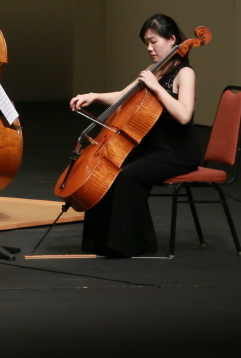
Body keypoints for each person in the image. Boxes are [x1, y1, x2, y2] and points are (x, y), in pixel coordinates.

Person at [70, 14, 202, 258]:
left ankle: (136, 245)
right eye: (146, 43)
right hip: (152, 148)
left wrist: (155, 87)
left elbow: (184, 115)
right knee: (106, 173)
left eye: (154, 41)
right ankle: (100, 242)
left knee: (127, 177)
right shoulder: (155, 70)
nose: (149, 48)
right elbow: (124, 95)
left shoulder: (185, 73)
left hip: (177, 152)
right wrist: (94, 96)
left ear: (171, 39)